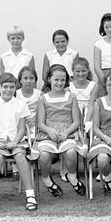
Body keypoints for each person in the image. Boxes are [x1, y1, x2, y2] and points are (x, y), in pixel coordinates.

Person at [0, 73, 37, 214]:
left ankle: (30, 195)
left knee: (20, 156)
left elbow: (21, 128)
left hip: (17, 141)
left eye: (12, 87)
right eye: (5, 86)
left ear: (16, 88)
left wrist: (14, 141)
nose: (8, 90)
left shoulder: (20, 104)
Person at [35, 64, 87, 197]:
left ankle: (72, 176)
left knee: (70, 152)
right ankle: (47, 180)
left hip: (68, 132)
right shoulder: (43, 99)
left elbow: (76, 121)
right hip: (48, 133)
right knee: (44, 154)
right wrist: (49, 131)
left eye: (63, 80)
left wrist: (66, 132)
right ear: (49, 80)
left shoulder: (71, 97)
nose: (60, 83)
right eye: (56, 80)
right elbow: (40, 123)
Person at [14, 66, 42, 178]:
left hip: (35, 125)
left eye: (32, 78)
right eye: (25, 78)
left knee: (36, 140)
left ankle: (32, 164)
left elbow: (42, 112)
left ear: (35, 80)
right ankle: (16, 166)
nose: (29, 80)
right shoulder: (16, 94)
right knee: (16, 139)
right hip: (18, 125)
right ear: (20, 80)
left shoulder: (40, 94)